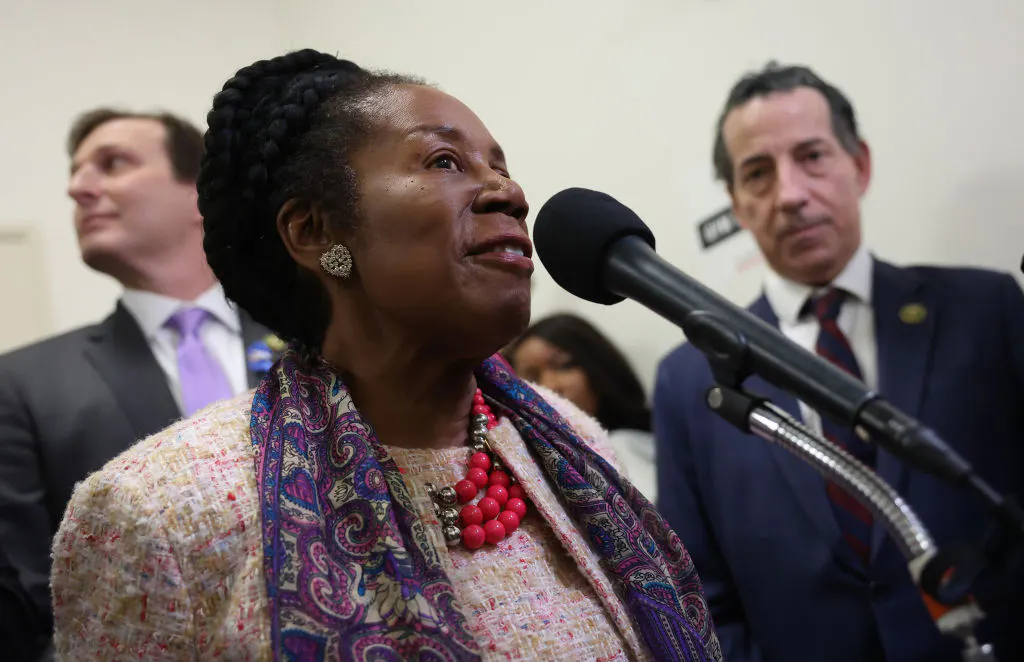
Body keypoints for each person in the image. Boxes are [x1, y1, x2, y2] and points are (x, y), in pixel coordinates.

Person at [50, 49, 721, 661]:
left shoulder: (575, 443)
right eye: (444, 162)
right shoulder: (159, 510)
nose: (509, 193)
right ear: (313, 232)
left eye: (502, 167)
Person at [653, 61, 1024, 662]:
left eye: (813, 157)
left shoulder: (986, 308)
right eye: (758, 173)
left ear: (861, 165)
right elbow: (703, 599)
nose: (790, 194)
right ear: (737, 205)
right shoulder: (689, 379)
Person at [0, 108, 273, 652]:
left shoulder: (316, 345)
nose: (78, 188)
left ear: (199, 193)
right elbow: (28, 611)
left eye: (113, 163)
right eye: (76, 172)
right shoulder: (23, 383)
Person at [504, 313, 657, 500]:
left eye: (562, 366)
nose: (549, 385)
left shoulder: (633, 445)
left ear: (598, 367)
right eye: (532, 377)